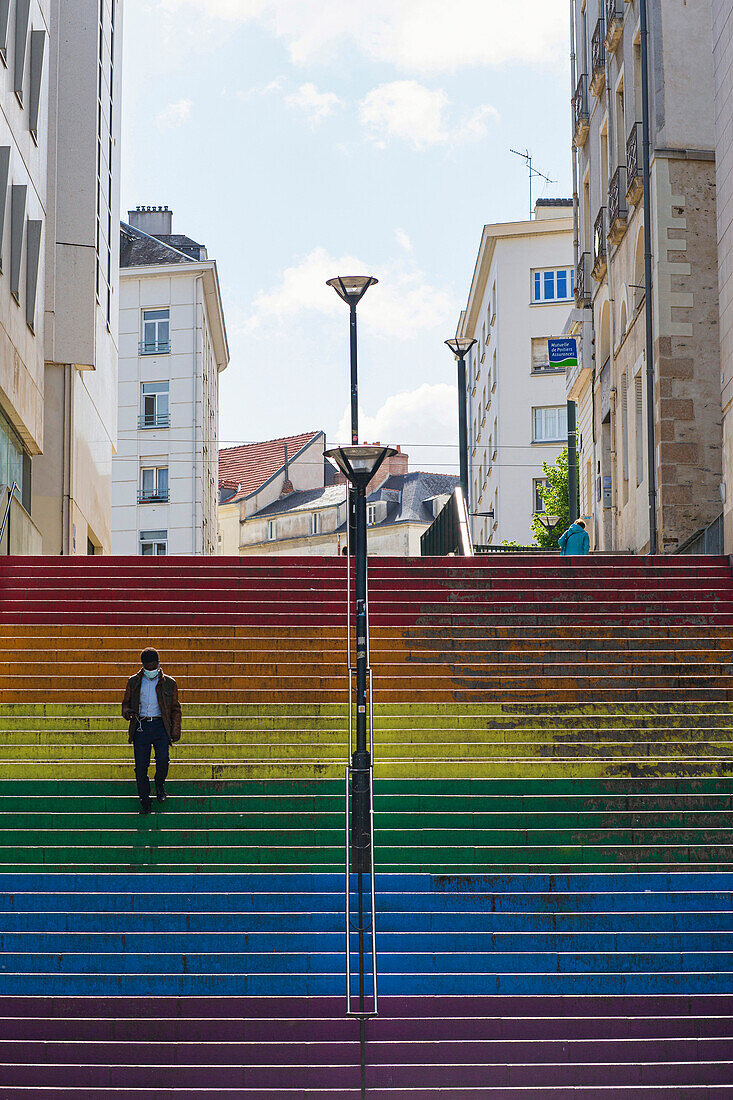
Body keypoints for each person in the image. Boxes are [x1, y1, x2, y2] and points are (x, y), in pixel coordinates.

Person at [121, 648, 182, 814]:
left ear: (158, 664)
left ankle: (159, 784)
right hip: (141, 726)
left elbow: (175, 708)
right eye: (147, 667)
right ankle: (145, 800)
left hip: (160, 725)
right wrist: (128, 713)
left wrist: (175, 730)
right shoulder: (133, 682)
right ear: (142, 665)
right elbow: (125, 704)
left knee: (163, 759)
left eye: (152, 667)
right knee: (140, 766)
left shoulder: (169, 683)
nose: (150, 670)